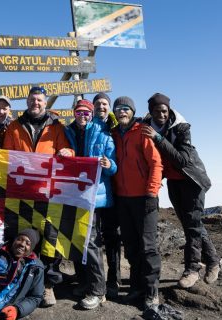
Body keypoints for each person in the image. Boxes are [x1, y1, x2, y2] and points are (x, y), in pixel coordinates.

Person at [142, 93, 222, 289]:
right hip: (173, 182)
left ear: (168, 110)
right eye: (157, 111)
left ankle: (192, 269)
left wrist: (159, 138)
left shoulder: (181, 128)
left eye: (164, 110)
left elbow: (182, 160)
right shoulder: (147, 125)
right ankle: (214, 260)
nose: (161, 114)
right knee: (189, 224)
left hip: (192, 181)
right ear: (151, 112)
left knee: (193, 225)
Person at [2, 86, 74, 307]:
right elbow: (5, 156)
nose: (36, 103)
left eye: (40, 100)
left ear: (45, 103)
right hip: (22, 191)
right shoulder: (14, 126)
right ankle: (20, 280)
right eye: (33, 99)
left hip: (49, 191)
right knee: (21, 236)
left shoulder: (56, 126)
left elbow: (69, 151)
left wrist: (67, 152)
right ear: (27, 101)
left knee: (50, 237)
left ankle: (48, 285)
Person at [110, 96, 163, 310]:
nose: (122, 112)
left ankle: (152, 292)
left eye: (125, 108)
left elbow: (156, 163)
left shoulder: (142, 131)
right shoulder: (113, 133)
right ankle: (137, 287)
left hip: (144, 198)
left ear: (132, 111)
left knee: (148, 246)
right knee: (131, 246)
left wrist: (151, 193)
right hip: (122, 198)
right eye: (118, 109)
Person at [64, 99, 117, 309]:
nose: (83, 116)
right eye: (79, 113)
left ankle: (98, 290)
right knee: (78, 238)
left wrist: (108, 164)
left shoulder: (103, 132)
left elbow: (114, 167)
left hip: (94, 194)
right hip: (73, 193)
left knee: (92, 241)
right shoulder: (67, 132)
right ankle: (84, 281)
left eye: (87, 113)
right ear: (74, 113)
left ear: (92, 113)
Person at [91, 93, 122, 299]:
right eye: (98, 104)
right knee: (90, 239)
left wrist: (110, 165)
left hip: (112, 193)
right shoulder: (84, 127)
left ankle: (114, 279)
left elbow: (117, 165)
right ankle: (92, 280)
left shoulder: (116, 128)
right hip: (87, 193)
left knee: (112, 237)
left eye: (105, 104)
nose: (101, 107)